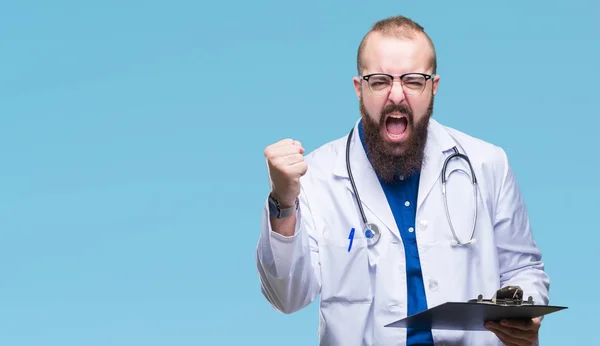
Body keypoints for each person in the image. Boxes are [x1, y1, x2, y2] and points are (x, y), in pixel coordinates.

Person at [255, 15, 550, 346]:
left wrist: (526, 312)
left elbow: (524, 270)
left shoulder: (487, 164)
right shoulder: (317, 176)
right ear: (359, 88)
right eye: (380, 81)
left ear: (433, 87)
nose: (396, 96)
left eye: (413, 80)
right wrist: (283, 201)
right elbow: (287, 297)